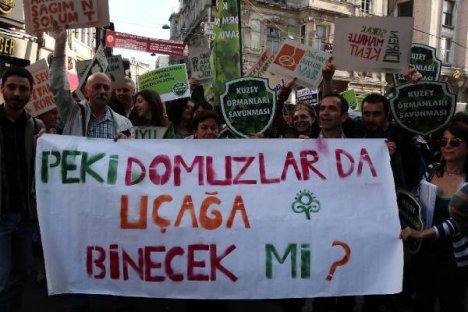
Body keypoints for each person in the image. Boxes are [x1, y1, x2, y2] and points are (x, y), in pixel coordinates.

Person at [49, 22, 132, 312]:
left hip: (112, 207)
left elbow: (135, 170)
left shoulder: (124, 125)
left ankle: (116, 300)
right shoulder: (73, 113)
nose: (101, 91)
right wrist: (60, 44)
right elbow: (57, 85)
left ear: (111, 93)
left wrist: (129, 146)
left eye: (106, 88)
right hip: (79, 205)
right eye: (96, 86)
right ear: (85, 90)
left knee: (114, 258)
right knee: (79, 260)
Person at [400, 120, 468, 312]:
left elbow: (459, 223)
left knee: (451, 302)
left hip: (454, 257)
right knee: (423, 300)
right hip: (424, 253)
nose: (447, 146)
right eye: (443, 141)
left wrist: (422, 233)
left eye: (455, 142)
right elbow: (415, 199)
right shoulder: (431, 169)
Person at [0, 66, 45, 312]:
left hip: (25, 216)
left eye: (23, 89)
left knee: (20, 274)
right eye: (12, 87)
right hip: (2, 215)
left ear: (30, 94)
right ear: (3, 89)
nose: (17, 93)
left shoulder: (37, 126)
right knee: (3, 277)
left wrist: (46, 146)